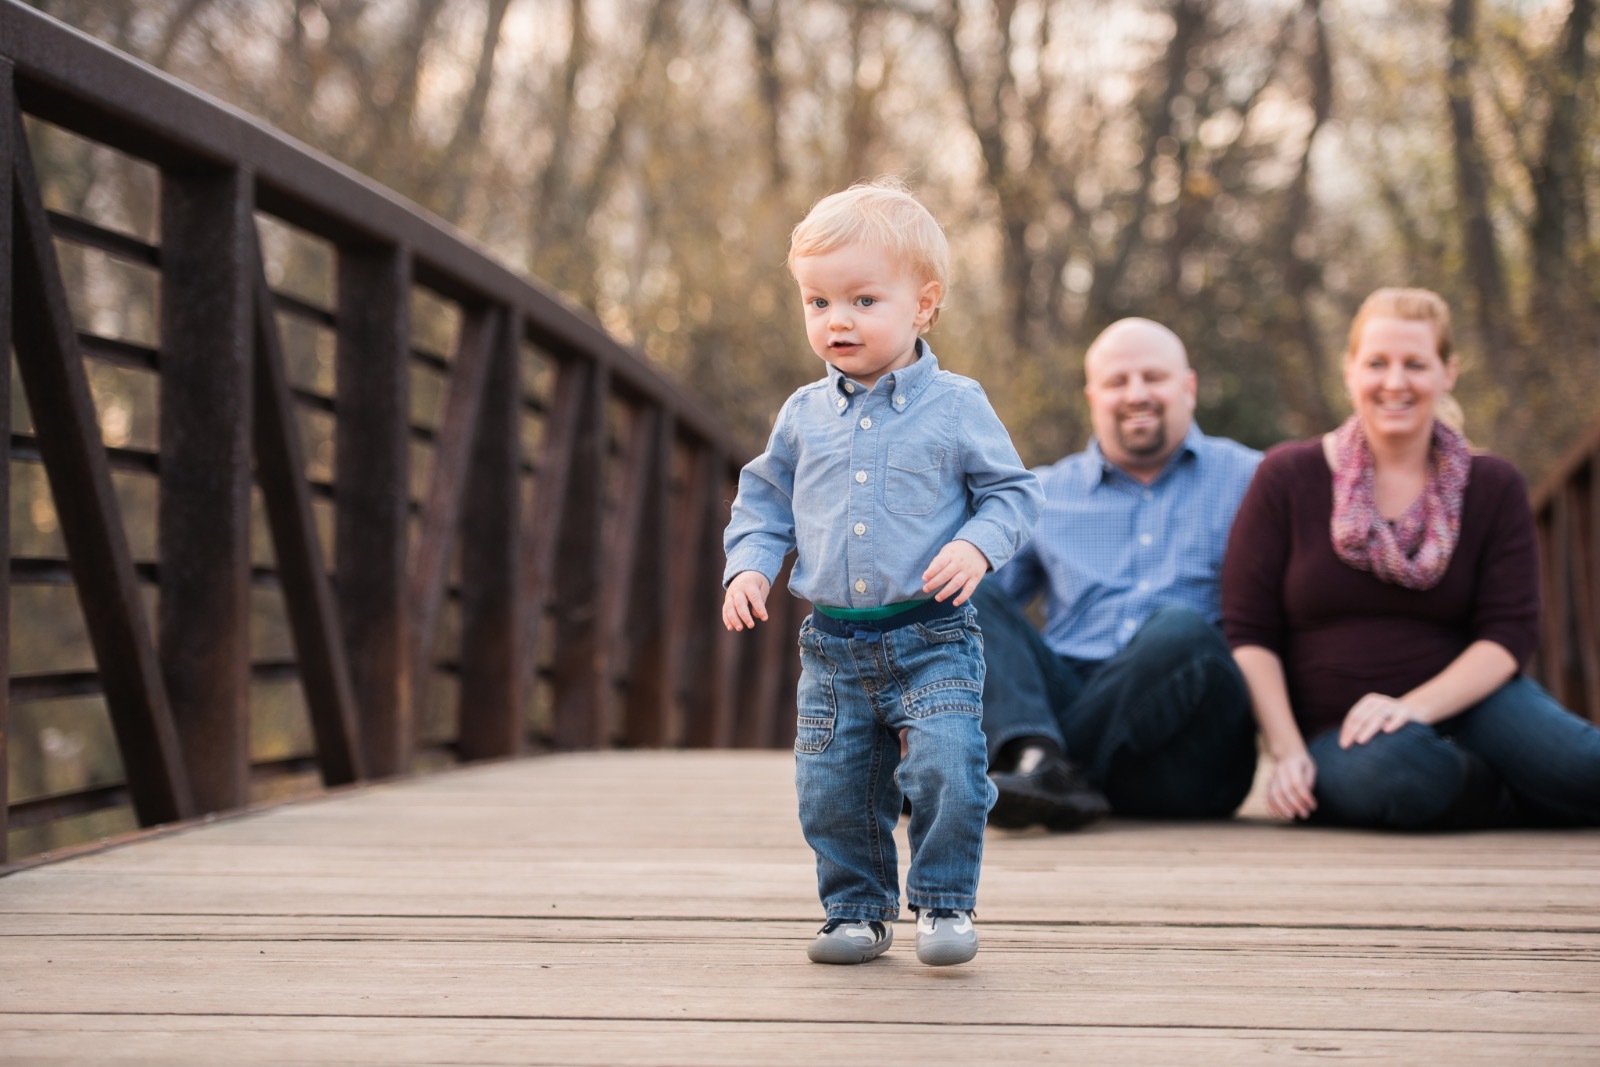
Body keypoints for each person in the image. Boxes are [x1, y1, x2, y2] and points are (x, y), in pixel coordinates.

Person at [722, 179, 1042, 966]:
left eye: (864, 299)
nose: (837, 320)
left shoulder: (958, 405)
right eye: (818, 302)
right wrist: (749, 567)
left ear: (922, 306)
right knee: (833, 787)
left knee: (949, 769)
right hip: (833, 645)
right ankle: (856, 910)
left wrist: (977, 545)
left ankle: (941, 903)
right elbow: (763, 504)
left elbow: (1011, 493)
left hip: (932, 634)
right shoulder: (802, 415)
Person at [1222, 287, 1600, 829]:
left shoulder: (1493, 484)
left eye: (1415, 364)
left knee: (1585, 765)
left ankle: (1513, 776)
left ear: (1448, 372)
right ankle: (1503, 790)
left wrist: (1414, 708)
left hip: (1475, 704)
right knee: (1400, 775)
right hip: (1342, 732)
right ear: (1350, 371)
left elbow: (1509, 633)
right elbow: (1249, 630)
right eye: (1377, 363)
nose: (1395, 383)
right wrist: (1285, 750)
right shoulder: (1287, 475)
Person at [974, 318, 1263, 829]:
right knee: (967, 586)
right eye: (1117, 381)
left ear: (1188, 388)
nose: (1136, 394)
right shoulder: (1041, 494)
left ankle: (1032, 769)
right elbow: (978, 619)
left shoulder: (1253, 480)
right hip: (1071, 694)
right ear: (1093, 395)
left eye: (1153, 377)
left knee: (1179, 628)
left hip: (1190, 752)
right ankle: (1041, 761)